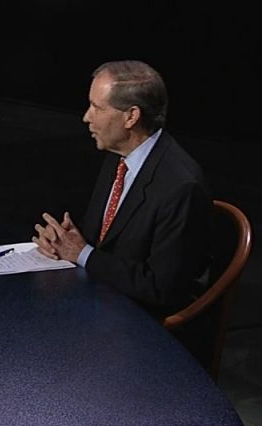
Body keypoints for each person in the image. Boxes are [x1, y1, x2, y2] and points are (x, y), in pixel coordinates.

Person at [33, 60, 210, 317]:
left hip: (140, 325)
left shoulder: (181, 187)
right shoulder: (119, 157)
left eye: (97, 108)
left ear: (131, 116)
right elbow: (106, 243)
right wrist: (64, 242)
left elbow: (162, 288)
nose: (86, 117)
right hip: (100, 300)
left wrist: (83, 253)